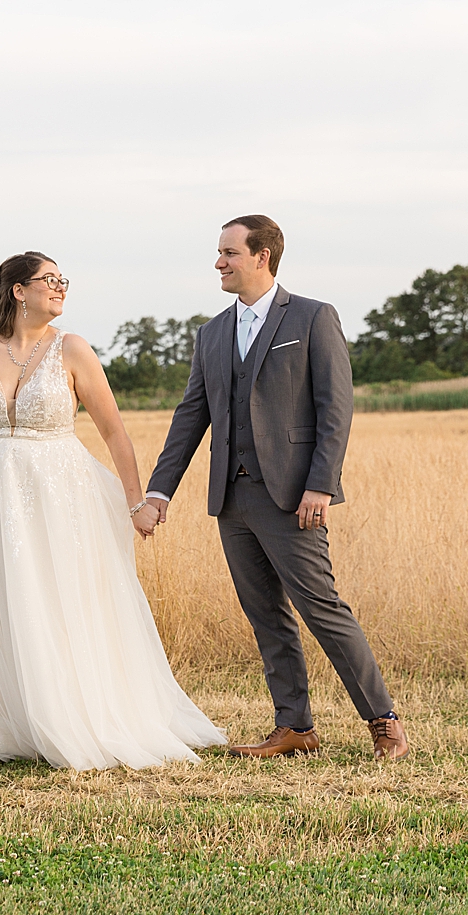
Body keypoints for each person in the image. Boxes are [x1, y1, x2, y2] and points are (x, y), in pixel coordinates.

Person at [0, 251, 226, 771]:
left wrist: (138, 502)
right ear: (18, 290)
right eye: (49, 280)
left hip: (58, 501)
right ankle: (13, 720)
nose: (60, 288)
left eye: (63, 280)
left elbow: (114, 431)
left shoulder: (72, 349)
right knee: (0, 602)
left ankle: (70, 716)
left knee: (56, 601)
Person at [145, 216, 410, 761]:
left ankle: (383, 721)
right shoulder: (211, 333)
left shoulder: (313, 317)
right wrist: (159, 491)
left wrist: (321, 485)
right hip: (232, 498)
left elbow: (335, 409)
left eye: (228, 252)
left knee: (321, 608)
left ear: (262, 256)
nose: (219, 262)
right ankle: (294, 727)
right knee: (265, 614)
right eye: (219, 253)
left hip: (293, 497)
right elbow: (192, 415)